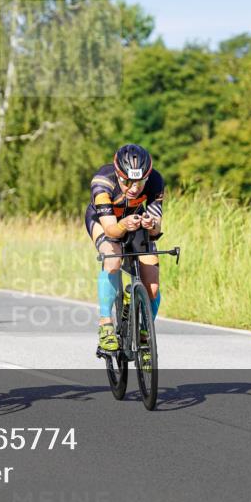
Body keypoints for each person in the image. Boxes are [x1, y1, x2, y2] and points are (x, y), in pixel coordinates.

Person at [85, 144, 165, 354]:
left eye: (140, 182)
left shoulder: (155, 180)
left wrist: (151, 224)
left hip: (135, 221)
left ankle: (145, 333)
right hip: (105, 221)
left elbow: (156, 228)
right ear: (118, 174)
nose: (134, 188)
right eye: (127, 181)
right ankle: (106, 325)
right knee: (113, 259)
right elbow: (111, 230)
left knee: (152, 287)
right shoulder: (103, 182)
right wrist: (123, 225)